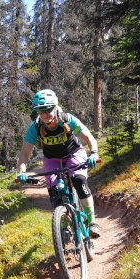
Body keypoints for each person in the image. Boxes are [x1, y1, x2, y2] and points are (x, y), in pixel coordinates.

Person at [16, 89, 101, 238]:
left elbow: (88, 137)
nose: (44, 114)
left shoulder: (67, 119)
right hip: (52, 159)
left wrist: (93, 153)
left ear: (55, 107)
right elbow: (24, 153)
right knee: (55, 192)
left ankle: (92, 222)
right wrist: (22, 171)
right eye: (40, 111)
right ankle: (63, 223)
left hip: (74, 153)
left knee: (79, 181)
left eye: (47, 109)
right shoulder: (35, 127)